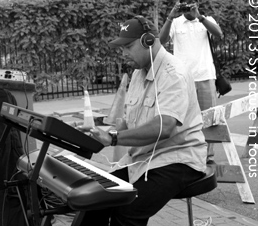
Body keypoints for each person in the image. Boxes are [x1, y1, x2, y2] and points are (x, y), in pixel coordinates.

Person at [79, 16, 207, 226]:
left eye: (128, 47)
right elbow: (129, 126)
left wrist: (113, 138)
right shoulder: (138, 73)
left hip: (178, 159)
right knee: (95, 198)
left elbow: (163, 128)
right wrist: (96, 132)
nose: (123, 54)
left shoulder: (173, 74)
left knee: (128, 209)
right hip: (145, 158)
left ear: (149, 41)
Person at [159, 0, 223, 164]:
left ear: (197, 3)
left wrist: (200, 17)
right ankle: (187, 156)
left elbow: (219, 34)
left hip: (205, 77)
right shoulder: (176, 22)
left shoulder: (206, 20)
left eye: (191, 2)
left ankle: (208, 158)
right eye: (183, 3)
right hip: (183, 79)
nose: (187, 6)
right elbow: (161, 41)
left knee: (209, 120)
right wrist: (170, 18)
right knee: (184, 120)